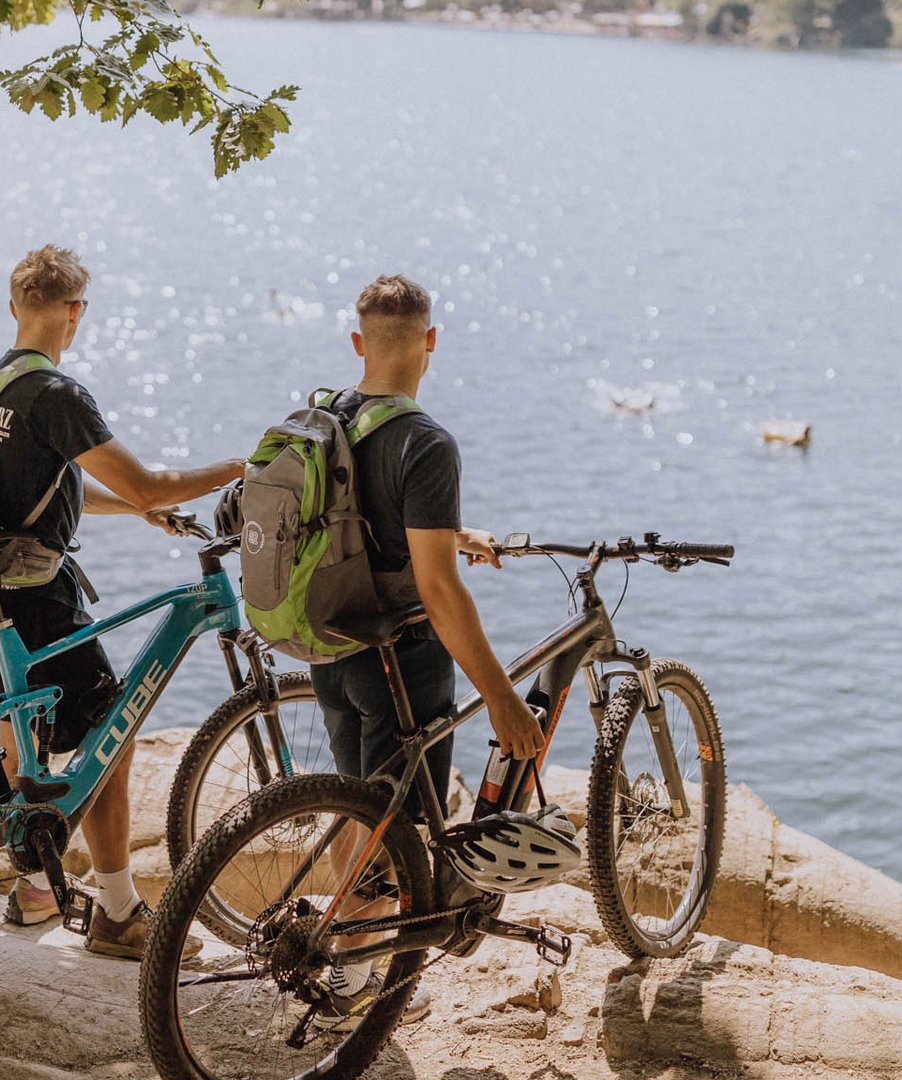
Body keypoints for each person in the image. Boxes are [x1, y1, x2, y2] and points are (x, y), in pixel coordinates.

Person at [0, 245, 242, 959]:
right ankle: (118, 911)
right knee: (110, 733)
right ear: (75, 312)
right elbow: (153, 482)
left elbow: (41, 486)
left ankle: (32, 890)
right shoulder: (56, 394)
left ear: (13, 305)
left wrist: (132, 511)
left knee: (20, 728)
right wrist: (241, 467)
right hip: (40, 594)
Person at [312, 274, 545, 1027]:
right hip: (400, 662)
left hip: (331, 649)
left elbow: (367, 529)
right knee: (399, 834)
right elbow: (440, 594)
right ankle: (350, 982)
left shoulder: (326, 417)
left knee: (360, 809)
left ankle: (339, 946)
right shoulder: (425, 443)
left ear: (358, 344)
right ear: (431, 342)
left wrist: (450, 534)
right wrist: (503, 698)